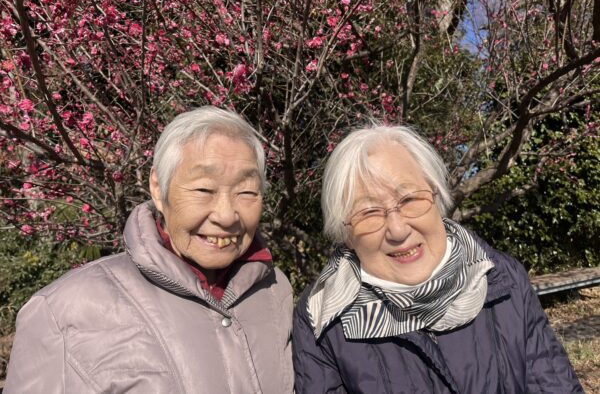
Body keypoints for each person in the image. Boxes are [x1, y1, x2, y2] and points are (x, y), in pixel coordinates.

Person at [5, 106, 294, 393]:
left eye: (246, 192)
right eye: (204, 190)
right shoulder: (65, 310)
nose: (227, 215)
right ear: (158, 187)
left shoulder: (273, 291)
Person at [293, 124, 583, 393]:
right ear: (346, 233)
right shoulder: (322, 323)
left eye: (409, 200)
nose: (398, 230)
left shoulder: (501, 278)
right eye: (369, 212)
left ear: (437, 196)